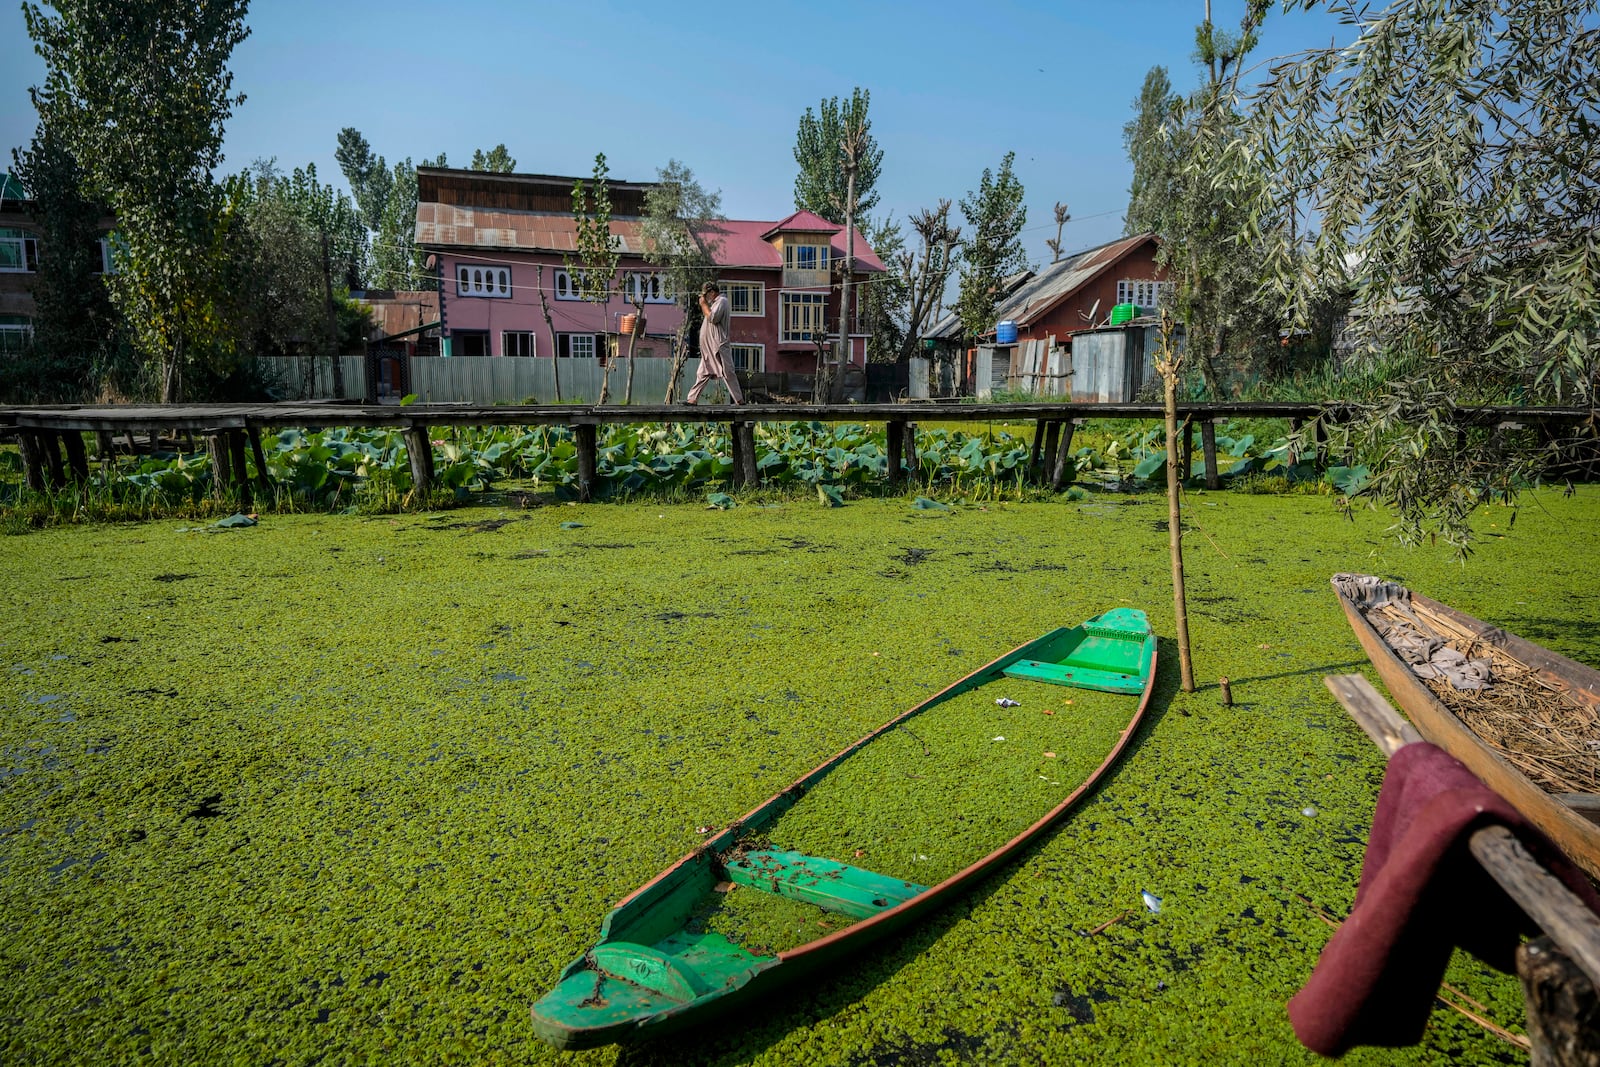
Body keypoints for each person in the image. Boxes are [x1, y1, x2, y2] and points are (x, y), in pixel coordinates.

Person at [684, 281, 744, 405]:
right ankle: (692, 399)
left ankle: (739, 400)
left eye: (706, 295)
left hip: (719, 345)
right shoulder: (715, 303)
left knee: (728, 372)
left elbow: (713, 318)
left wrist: (703, 305)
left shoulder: (722, 301)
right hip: (709, 347)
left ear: (712, 292)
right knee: (702, 372)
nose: (705, 298)